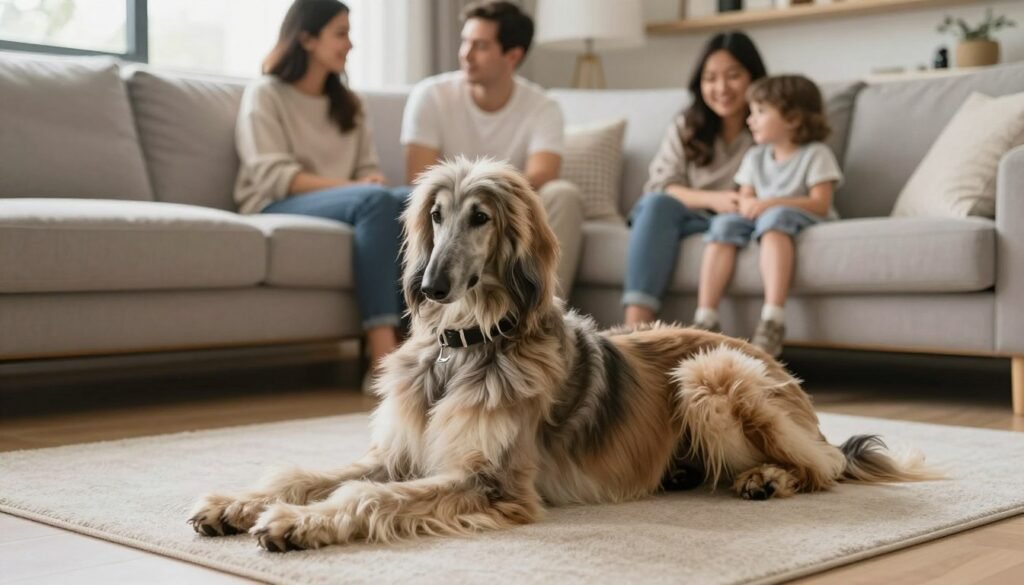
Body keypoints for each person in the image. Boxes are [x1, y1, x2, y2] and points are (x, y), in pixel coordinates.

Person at [233, 0, 409, 386]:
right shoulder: (266, 94)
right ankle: (382, 359)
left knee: (414, 202)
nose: (350, 44)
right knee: (379, 200)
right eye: (341, 34)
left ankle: (422, 345)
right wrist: (361, 188)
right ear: (308, 39)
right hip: (275, 202)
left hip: (349, 203)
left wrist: (370, 181)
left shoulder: (350, 103)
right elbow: (273, 175)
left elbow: (366, 170)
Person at [401, 1, 585, 296]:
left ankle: (542, 307)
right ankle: (428, 301)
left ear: (512, 55)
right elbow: (418, 176)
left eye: (481, 46)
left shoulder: (543, 106)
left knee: (563, 194)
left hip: (504, 209)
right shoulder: (430, 96)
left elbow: (543, 173)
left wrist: (490, 201)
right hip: (449, 207)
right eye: (465, 42)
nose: (466, 54)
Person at [623, 32, 767, 327]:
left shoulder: (768, 127)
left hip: (735, 223)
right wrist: (714, 199)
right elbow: (660, 186)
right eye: (710, 78)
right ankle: (634, 329)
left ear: (754, 78)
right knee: (657, 204)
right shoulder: (687, 125)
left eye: (733, 76)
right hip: (682, 219)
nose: (721, 88)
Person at [695, 75, 842, 357]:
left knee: (775, 219)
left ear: (793, 119)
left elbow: (820, 203)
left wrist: (770, 203)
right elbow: (746, 194)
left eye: (760, 112)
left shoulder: (816, 154)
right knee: (723, 224)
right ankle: (705, 317)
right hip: (760, 217)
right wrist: (751, 203)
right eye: (751, 112)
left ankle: (773, 318)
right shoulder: (755, 157)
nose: (751, 120)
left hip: (791, 218)